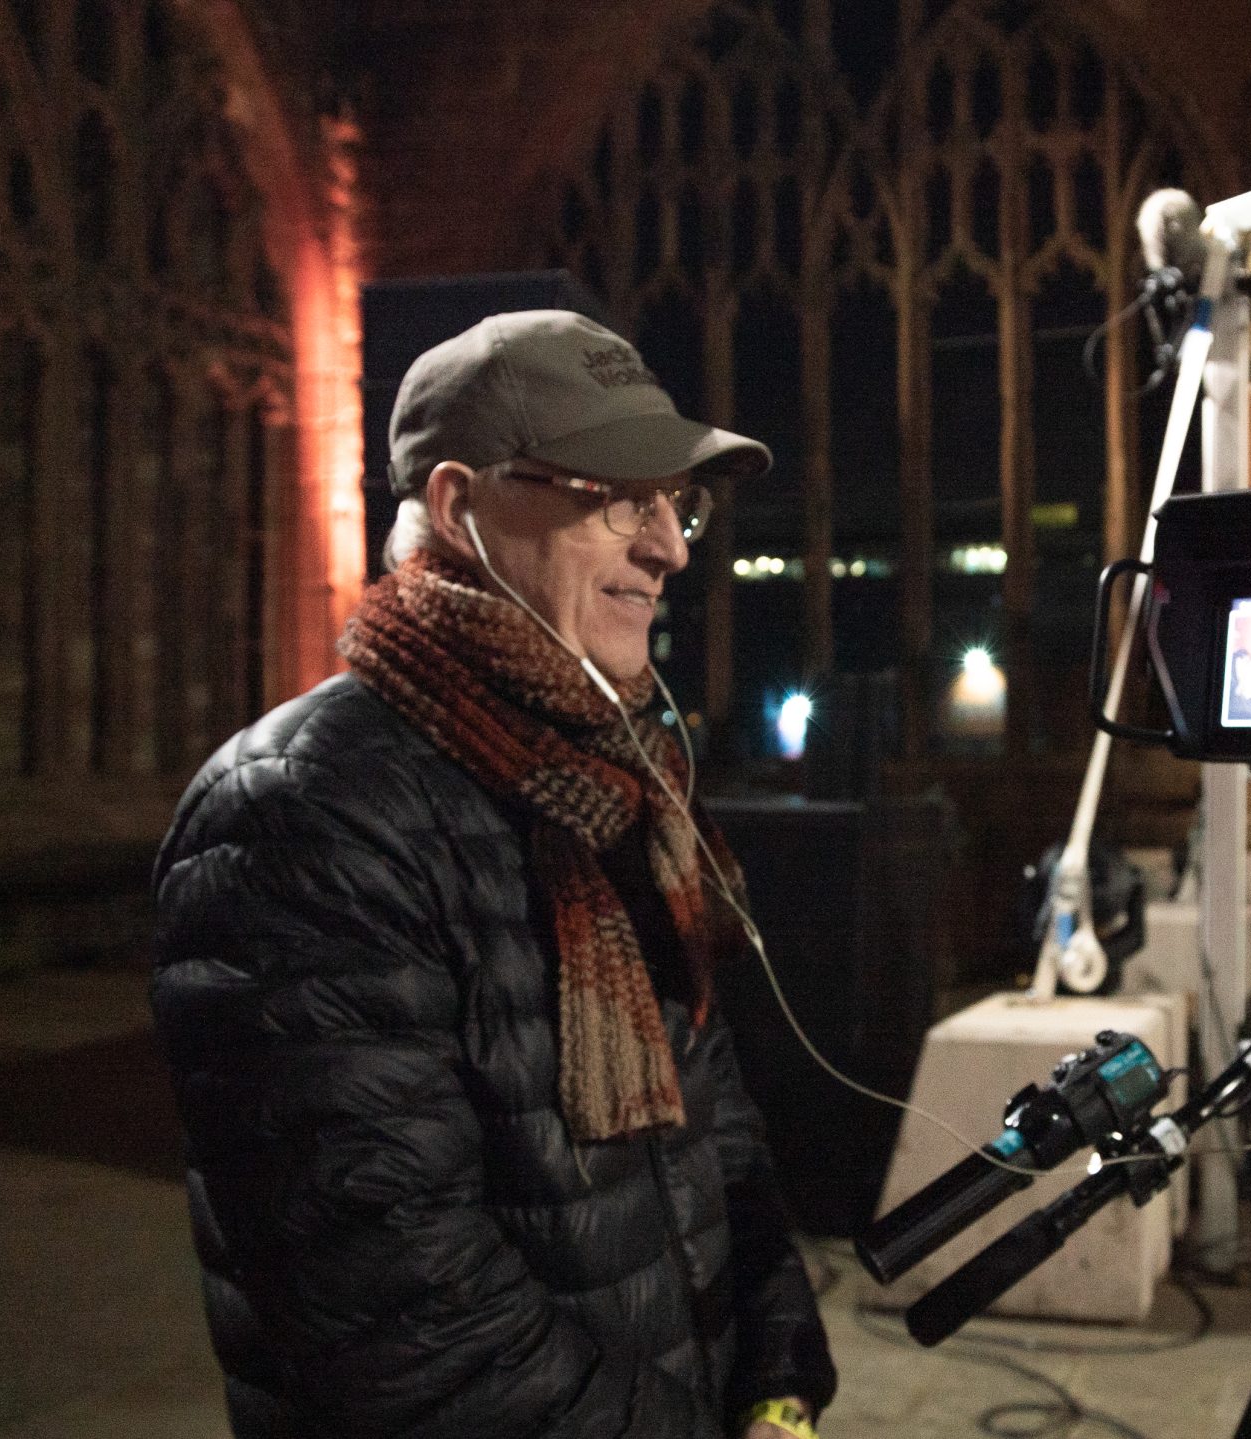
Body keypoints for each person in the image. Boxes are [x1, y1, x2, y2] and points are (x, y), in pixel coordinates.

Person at [152, 311, 837, 1439]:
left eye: (676, 503)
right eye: (616, 497)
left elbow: (712, 1127)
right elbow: (404, 1324)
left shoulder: (617, 773)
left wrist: (775, 1372)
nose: (668, 547)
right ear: (461, 506)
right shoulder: (299, 811)